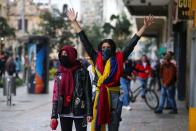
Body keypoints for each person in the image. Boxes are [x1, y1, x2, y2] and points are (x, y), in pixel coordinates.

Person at [67, 8, 154, 131]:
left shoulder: (118, 58)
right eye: (103, 47)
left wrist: (144, 27)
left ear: (112, 49)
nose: (105, 49)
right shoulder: (96, 57)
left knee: (113, 126)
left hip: (114, 95)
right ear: (100, 49)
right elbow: (84, 40)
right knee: (97, 125)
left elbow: (131, 44)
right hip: (98, 95)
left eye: (108, 47)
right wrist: (74, 22)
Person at [50, 45, 93, 131]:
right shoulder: (59, 73)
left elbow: (88, 93)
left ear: (72, 55)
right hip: (64, 111)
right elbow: (55, 95)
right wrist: (54, 115)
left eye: (66, 54)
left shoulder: (83, 72)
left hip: (80, 110)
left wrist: (89, 113)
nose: (63, 56)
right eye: (61, 54)